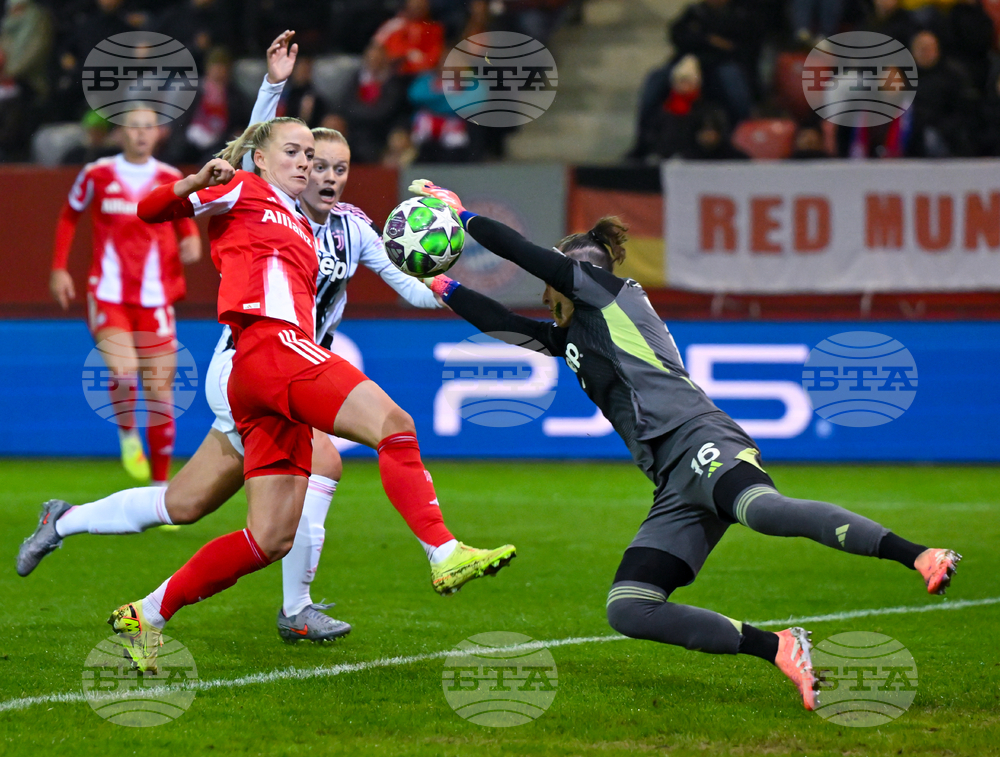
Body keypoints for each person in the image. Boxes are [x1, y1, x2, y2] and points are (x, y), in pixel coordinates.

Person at [19, 32, 511, 645]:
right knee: (387, 429)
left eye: (328, 163)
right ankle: (434, 553)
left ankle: (134, 598)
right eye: (307, 158)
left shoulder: (334, 229)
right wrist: (234, 134)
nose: (315, 168)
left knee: (239, 526)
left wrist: (445, 269)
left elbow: (400, 274)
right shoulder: (248, 192)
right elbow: (212, 176)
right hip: (263, 350)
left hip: (268, 374)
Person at [408, 178, 962, 711]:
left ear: (579, 274)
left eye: (566, 272)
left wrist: (461, 216)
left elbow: (535, 259)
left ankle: (920, 555)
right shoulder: (577, 333)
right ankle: (778, 647)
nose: (556, 283)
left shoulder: (614, 294)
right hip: (672, 478)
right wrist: (446, 288)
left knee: (762, 511)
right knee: (631, 608)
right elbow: (509, 326)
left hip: (700, 436)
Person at [49, 108, 201, 485]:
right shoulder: (97, 173)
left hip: (156, 297)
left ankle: (159, 487)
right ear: (119, 134)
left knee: (161, 393)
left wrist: (193, 242)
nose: (141, 134)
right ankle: (128, 432)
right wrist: (58, 268)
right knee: (124, 371)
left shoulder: (170, 178)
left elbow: (186, 224)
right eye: (133, 128)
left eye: (148, 127)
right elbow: (70, 215)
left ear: (159, 133)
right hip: (108, 292)